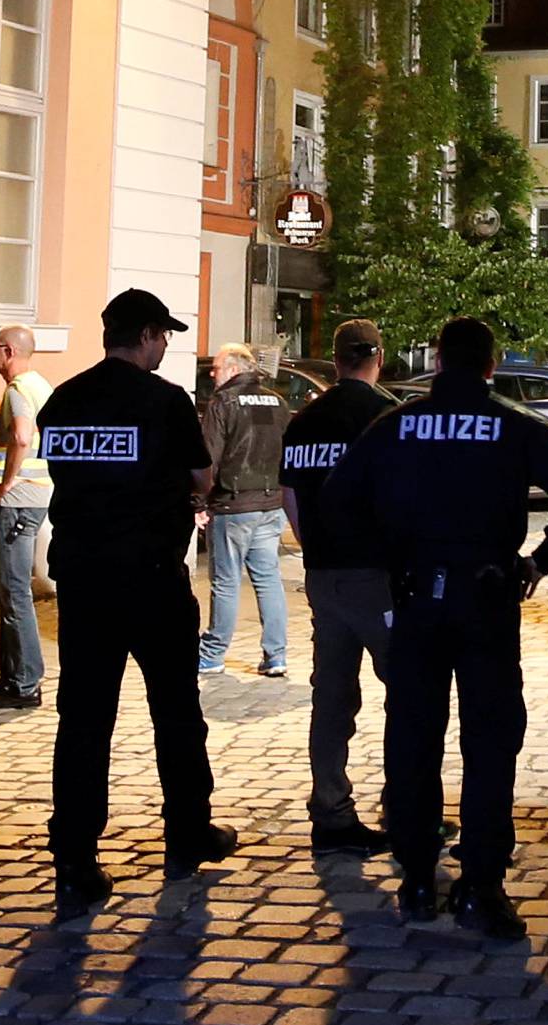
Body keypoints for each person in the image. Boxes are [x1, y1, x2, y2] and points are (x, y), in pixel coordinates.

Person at [334, 315, 548, 938]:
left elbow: (341, 499)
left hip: (416, 596)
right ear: (488, 366)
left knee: (413, 736)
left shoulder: (394, 425)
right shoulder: (513, 427)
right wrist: (542, 559)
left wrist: (390, 554)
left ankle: (419, 876)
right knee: (490, 739)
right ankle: (481, 883)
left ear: (435, 358)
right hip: (488, 595)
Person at [37, 289, 237, 919]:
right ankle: (188, 832)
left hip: (85, 583)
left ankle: (74, 858)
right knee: (176, 712)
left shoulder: (64, 400)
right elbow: (203, 479)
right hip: (151, 581)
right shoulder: (164, 401)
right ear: (147, 335)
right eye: (164, 337)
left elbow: (68, 471)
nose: (166, 348)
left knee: (84, 721)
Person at [281, 318, 395, 852]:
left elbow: (291, 497)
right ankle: (405, 803)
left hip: (323, 576)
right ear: (377, 357)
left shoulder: (304, 420)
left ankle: (330, 808)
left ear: (336, 358)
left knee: (331, 697)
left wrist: (312, 546)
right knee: (410, 692)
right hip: (380, 576)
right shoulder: (385, 415)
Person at [199, 343, 291, 678]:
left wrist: (199, 502)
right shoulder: (277, 402)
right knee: (268, 579)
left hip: (233, 505)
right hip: (270, 504)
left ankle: (211, 653)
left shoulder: (223, 402)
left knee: (225, 581)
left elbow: (209, 457)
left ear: (235, 370)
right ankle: (276, 654)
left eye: (218, 367)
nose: (213, 373)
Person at [0, 325, 53, 712]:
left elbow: (22, 437)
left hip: (18, 501)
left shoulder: (19, 390)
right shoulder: (41, 385)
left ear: (7, 352)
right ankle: (12, 677)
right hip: (35, 498)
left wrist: (6, 483)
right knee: (10, 591)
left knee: (14, 592)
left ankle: (24, 683)